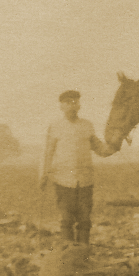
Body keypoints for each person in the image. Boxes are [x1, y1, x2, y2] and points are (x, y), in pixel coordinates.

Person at [39, 90, 112, 243]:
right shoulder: (55, 126)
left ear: (79, 105)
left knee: (85, 219)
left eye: (75, 102)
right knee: (66, 219)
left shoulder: (87, 125)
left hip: (85, 181)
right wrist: (43, 175)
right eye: (69, 103)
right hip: (63, 181)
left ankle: (83, 254)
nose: (73, 106)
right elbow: (47, 153)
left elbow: (100, 148)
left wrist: (115, 144)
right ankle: (68, 254)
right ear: (61, 106)